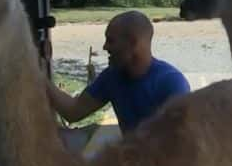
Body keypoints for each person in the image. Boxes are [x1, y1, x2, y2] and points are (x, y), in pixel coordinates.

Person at [45, 10, 190, 133]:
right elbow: (73, 111)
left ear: (133, 43)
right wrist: (36, 74)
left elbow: (182, 144)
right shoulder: (112, 77)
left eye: (111, 41)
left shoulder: (171, 83)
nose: (105, 47)